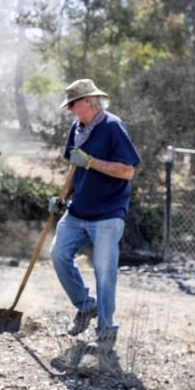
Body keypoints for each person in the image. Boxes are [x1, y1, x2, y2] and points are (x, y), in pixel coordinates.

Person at [49, 79, 141, 344]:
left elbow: (128, 170)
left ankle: (106, 329)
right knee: (58, 254)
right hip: (78, 211)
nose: (71, 110)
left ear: (89, 102)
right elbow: (73, 168)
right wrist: (61, 198)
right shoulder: (77, 128)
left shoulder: (112, 127)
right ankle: (85, 305)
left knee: (104, 269)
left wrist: (91, 162)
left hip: (109, 214)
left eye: (73, 104)